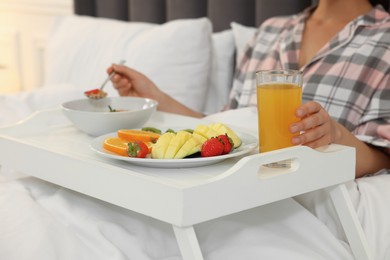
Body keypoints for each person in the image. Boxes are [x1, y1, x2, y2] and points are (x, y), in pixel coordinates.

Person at [108, 0, 390, 178]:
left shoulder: (384, 39)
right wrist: (155, 99)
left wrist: (336, 135)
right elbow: (226, 134)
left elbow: (383, 158)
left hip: (297, 190)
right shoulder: (270, 31)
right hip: (231, 180)